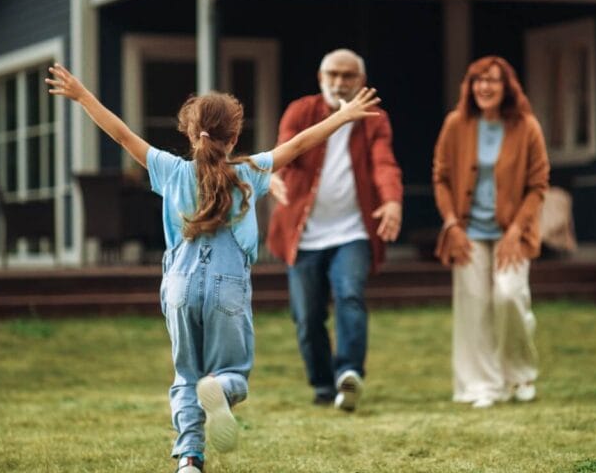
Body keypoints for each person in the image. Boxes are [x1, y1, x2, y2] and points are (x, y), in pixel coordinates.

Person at [46, 63, 382, 473]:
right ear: (235, 137)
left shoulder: (170, 171)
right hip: (228, 287)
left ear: (190, 134)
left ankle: (189, 460)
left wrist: (82, 96)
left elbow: (121, 134)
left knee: (186, 376)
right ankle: (221, 390)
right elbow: (298, 146)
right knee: (233, 374)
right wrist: (342, 116)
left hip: (180, 285)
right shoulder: (249, 172)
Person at [266, 49, 403, 411]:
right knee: (306, 316)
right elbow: (286, 150)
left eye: (348, 76)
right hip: (303, 233)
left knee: (350, 294)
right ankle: (325, 386)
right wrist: (274, 177)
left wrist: (391, 200)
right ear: (320, 77)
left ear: (361, 80)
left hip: (352, 232)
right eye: (333, 75)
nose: (340, 83)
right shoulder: (300, 110)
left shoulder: (375, 119)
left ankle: (350, 373)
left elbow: (384, 163)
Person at [432, 55, 550, 409]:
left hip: (511, 232)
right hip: (467, 232)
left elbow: (538, 184)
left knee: (509, 296)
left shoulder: (526, 126)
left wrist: (516, 230)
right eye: (478, 80)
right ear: (469, 86)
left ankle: (521, 374)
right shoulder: (456, 123)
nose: (485, 86)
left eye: (493, 80)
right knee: (475, 307)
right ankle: (483, 386)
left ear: (506, 87)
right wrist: (451, 224)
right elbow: (441, 177)